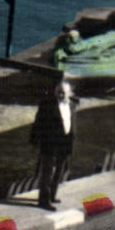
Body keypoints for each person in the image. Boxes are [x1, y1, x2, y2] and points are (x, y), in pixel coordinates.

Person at [31, 80, 76, 211]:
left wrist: (72, 141)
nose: (60, 95)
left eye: (63, 93)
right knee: (47, 173)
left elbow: (73, 125)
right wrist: (35, 141)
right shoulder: (47, 105)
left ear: (69, 93)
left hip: (65, 143)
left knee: (59, 171)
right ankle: (43, 201)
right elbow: (38, 124)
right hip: (50, 143)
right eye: (58, 92)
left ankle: (52, 196)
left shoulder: (72, 105)